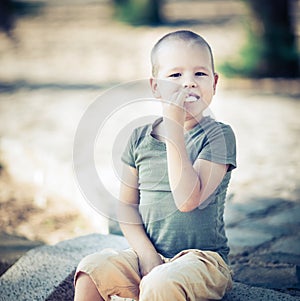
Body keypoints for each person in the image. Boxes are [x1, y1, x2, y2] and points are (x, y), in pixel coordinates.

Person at [74, 30, 237, 301]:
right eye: (175, 75)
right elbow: (126, 206)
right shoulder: (139, 138)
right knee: (92, 270)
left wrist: (173, 129)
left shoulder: (219, 136)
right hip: (150, 255)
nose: (189, 84)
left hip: (203, 261)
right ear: (155, 87)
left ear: (215, 82)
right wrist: (148, 257)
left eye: (200, 74)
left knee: (161, 283)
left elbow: (187, 200)